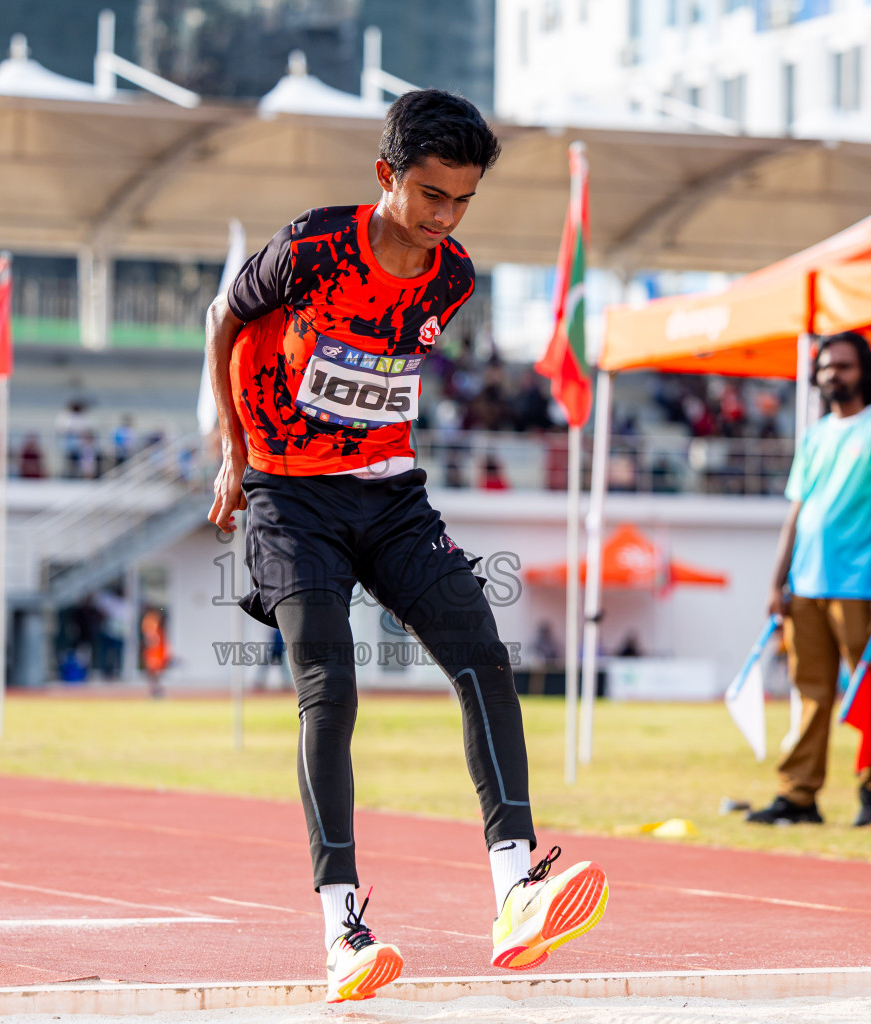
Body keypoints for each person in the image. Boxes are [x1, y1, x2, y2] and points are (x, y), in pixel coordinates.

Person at [204, 89, 607, 1003]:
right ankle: (343, 928)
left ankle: (517, 890)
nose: (446, 218)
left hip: (391, 497)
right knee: (329, 689)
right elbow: (223, 320)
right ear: (387, 176)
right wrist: (233, 450)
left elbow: (380, 374)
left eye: (463, 201)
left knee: (482, 659)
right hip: (288, 495)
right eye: (431, 196)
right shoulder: (313, 247)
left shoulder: (450, 277)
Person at [750, 332, 871, 829]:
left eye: (842, 366)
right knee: (810, 691)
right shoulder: (816, 433)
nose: (831, 375)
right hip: (805, 587)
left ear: (865, 370)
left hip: (859, 586)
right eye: (824, 367)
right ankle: (798, 796)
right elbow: (795, 515)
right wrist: (777, 583)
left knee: (867, 690)